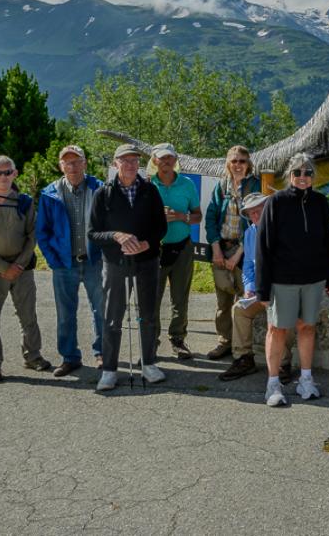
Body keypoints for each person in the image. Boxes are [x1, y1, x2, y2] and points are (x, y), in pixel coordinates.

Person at [256, 153, 329, 407]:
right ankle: (273, 383)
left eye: (308, 173)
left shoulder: (320, 203)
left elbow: (328, 242)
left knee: (307, 327)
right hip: (282, 279)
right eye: (298, 172)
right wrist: (263, 288)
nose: (303, 177)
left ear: (314, 176)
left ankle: (306, 379)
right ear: (289, 176)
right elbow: (263, 246)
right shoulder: (276, 202)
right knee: (277, 329)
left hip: (312, 279)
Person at [89, 143, 168, 391]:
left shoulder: (150, 191)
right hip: (116, 263)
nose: (131, 165)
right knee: (112, 317)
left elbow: (161, 227)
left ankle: (148, 363)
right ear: (115, 164)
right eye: (125, 161)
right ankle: (110, 369)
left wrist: (146, 243)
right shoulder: (104, 194)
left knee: (148, 315)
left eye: (134, 161)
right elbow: (92, 233)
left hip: (147, 261)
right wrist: (116, 236)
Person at [0, 155, 51, 383]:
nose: (3, 177)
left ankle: (33, 356)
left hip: (22, 268)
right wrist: (3, 267)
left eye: (7, 172)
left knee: (28, 315)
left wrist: (19, 264)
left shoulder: (24, 202)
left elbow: (32, 236)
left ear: (15, 174)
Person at [35, 144, 105, 377]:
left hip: (94, 261)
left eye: (77, 161)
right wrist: (53, 260)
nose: (72, 166)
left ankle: (103, 353)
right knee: (65, 314)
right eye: (67, 162)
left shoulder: (100, 189)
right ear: (61, 166)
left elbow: (110, 223)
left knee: (101, 311)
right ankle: (69, 357)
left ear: (85, 163)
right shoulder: (49, 193)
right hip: (64, 264)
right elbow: (42, 232)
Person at [216, 191, 294, 381]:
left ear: (268, 209)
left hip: (283, 290)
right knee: (239, 310)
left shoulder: (284, 230)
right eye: (250, 213)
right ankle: (244, 358)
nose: (255, 216)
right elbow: (249, 267)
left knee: (279, 315)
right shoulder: (250, 232)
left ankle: (283, 363)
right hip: (261, 291)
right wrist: (250, 287)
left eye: (258, 210)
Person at [203, 145, 261, 360]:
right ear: (228, 163)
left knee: (244, 298)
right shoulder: (222, 186)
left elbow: (257, 220)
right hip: (222, 247)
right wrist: (216, 248)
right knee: (223, 301)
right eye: (234, 161)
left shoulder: (255, 185)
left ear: (248, 164)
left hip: (244, 251)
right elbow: (210, 218)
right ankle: (224, 341)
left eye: (242, 161)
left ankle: (241, 347)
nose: (238, 165)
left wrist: (238, 255)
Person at [150, 143, 202, 361]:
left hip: (182, 246)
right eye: (162, 158)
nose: (166, 162)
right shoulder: (147, 185)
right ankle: (151, 341)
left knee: (180, 297)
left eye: (170, 158)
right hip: (155, 249)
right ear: (154, 161)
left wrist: (182, 217)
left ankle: (178, 339)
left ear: (175, 160)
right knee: (152, 298)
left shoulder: (187, 184)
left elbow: (197, 215)